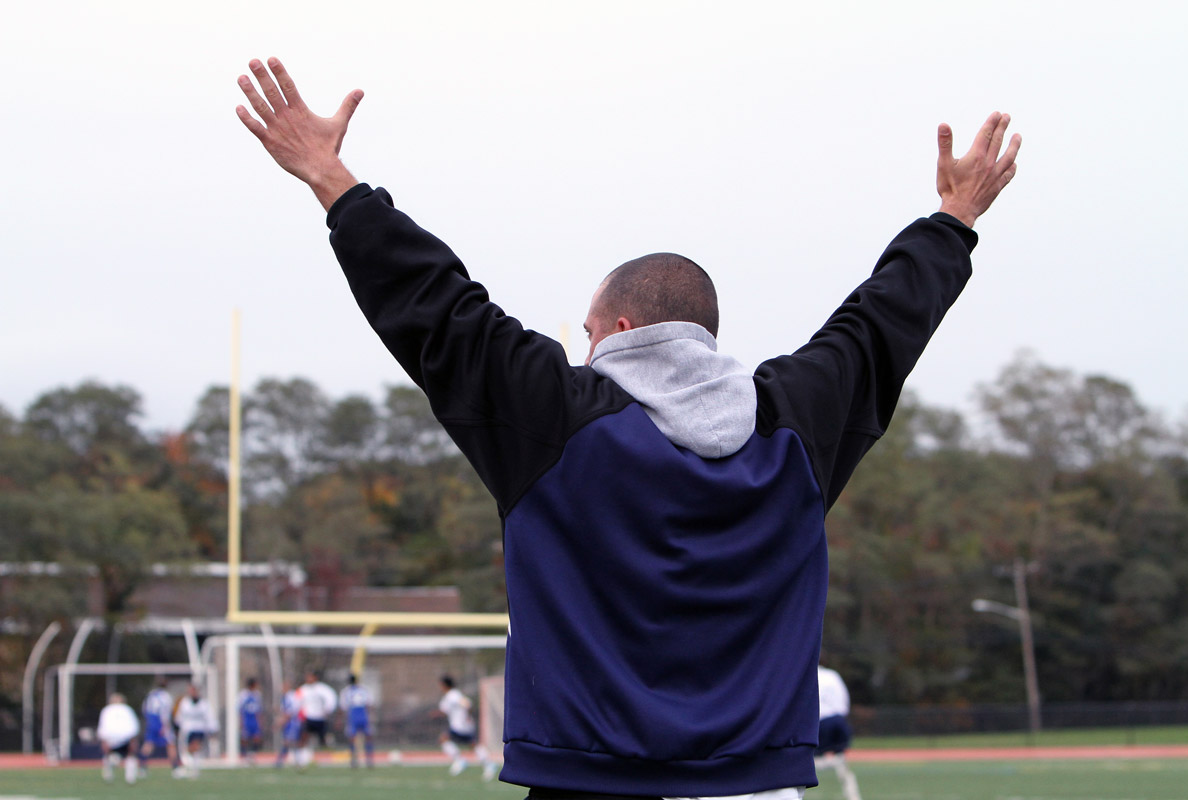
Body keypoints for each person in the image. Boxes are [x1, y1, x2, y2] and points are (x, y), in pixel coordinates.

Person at [236, 57, 1019, 799]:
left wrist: (331, 180)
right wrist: (955, 217)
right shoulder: (793, 429)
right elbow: (882, 325)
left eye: (584, 334)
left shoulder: (560, 422)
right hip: (751, 779)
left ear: (615, 327)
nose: (580, 350)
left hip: (587, 779)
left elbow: (438, 310)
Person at [436, 675, 498, 780]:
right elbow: (446, 710)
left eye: (440, 685)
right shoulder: (449, 696)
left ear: (445, 685)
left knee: (443, 739)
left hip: (460, 725)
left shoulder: (453, 695)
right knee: (472, 744)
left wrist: (467, 717)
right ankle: (489, 764)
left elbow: (467, 704)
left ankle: (460, 760)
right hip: (461, 725)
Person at [815, 665, 861, 800]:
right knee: (840, 758)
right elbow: (844, 699)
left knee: (810, 758)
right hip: (839, 721)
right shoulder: (833, 675)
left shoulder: (805, 673)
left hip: (820, 721)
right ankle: (852, 794)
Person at [173, 684, 217, 779]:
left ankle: (191, 768)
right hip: (187, 731)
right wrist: (177, 727)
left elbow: (210, 717)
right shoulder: (185, 702)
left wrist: (213, 729)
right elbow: (179, 717)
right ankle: (192, 768)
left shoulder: (204, 704)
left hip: (199, 730)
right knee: (189, 751)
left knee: (194, 748)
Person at [296, 671, 338, 768]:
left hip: (320, 718)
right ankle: (301, 761)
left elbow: (331, 699)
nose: (308, 679)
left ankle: (328, 760)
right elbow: (297, 701)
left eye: (310, 677)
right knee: (304, 738)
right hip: (308, 718)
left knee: (324, 740)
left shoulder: (322, 689)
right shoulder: (303, 689)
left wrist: (328, 710)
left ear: (315, 678)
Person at [97, 693, 140, 785]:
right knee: (130, 755)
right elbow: (134, 727)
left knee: (108, 755)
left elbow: (102, 727)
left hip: (110, 738)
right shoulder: (128, 709)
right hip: (126, 737)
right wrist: (133, 740)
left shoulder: (106, 710)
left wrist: (104, 741)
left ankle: (109, 771)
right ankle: (130, 777)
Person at [139, 677, 178, 775]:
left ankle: (142, 767)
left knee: (149, 743)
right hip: (161, 721)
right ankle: (175, 768)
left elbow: (144, 708)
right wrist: (165, 725)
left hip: (151, 720)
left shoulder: (151, 695)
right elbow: (165, 712)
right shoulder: (166, 696)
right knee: (171, 743)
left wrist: (149, 721)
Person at [339, 674, 375, 768]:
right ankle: (367, 759)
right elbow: (370, 705)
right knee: (366, 737)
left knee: (354, 738)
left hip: (354, 716)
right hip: (362, 715)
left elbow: (343, 707)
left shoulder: (346, 691)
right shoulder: (364, 689)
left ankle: (357, 759)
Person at [273, 678, 304, 768]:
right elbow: (285, 711)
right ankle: (290, 761)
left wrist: (280, 722)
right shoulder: (285, 697)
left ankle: (295, 761)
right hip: (288, 723)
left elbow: (291, 712)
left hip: (292, 723)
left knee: (290, 742)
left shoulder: (291, 696)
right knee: (289, 742)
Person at [238, 677, 264, 764]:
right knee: (245, 738)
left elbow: (259, 709)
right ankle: (244, 756)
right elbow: (240, 709)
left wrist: (260, 721)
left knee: (256, 738)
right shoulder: (243, 695)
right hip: (246, 720)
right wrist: (240, 721)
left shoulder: (257, 695)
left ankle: (252, 755)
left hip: (254, 720)